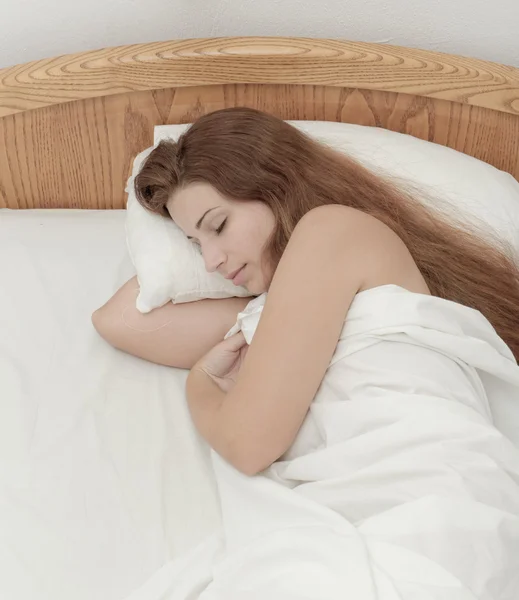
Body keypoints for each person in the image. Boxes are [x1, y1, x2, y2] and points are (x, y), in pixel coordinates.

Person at [92, 107, 519, 476]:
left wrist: (200, 385)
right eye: (195, 244)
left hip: (429, 486)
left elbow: (247, 446)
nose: (210, 261)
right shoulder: (279, 310)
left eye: (218, 226)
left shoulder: (330, 231)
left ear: (278, 187)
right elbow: (119, 320)